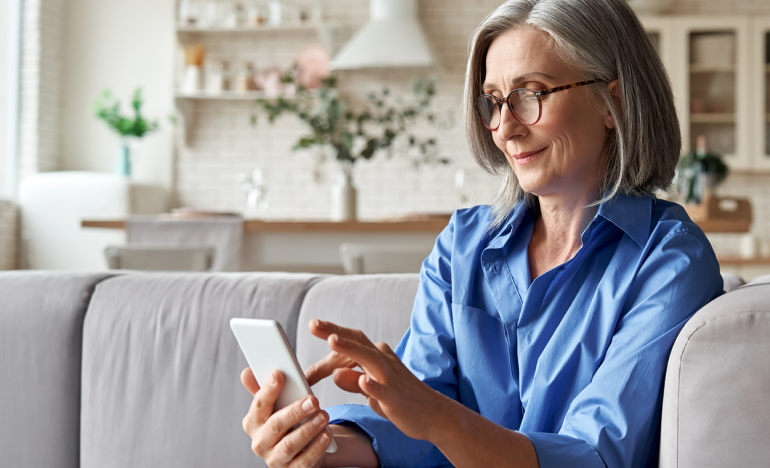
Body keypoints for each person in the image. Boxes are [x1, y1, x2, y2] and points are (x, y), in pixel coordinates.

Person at [240, 0, 725, 466]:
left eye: (530, 94)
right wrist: (317, 443)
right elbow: (412, 432)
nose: (504, 128)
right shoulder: (463, 243)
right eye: (494, 102)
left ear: (611, 101)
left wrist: (435, 418)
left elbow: (593, 456)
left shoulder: (668, 260)